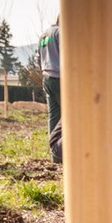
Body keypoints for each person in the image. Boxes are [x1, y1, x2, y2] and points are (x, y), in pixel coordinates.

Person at [38, 19, 61, 162]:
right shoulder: (61, 32)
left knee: (53, 116)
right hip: (60, 78)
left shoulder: (45, 34)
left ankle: (55, 155)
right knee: (69, 117)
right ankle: (66, 150)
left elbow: (37, 57)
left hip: (47, 77)